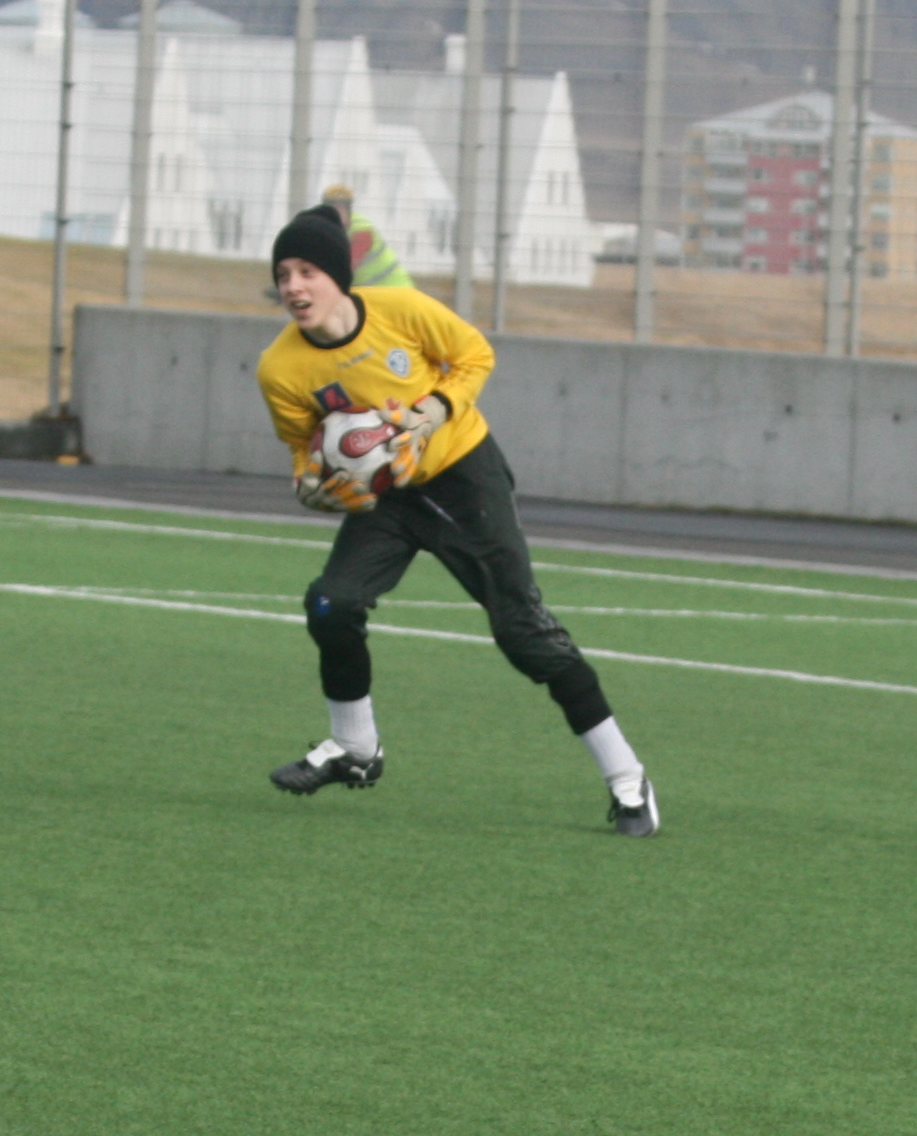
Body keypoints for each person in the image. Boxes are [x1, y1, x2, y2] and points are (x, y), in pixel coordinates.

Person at [258, 204, 658, 836]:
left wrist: (433, 412)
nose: (294, 287)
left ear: (338, 276)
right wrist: (313, 485)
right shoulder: (280, 368)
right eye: (283, 274)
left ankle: (627, 778)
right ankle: (355, 749)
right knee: (331, 604)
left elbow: (474, 354)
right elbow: (303, 448)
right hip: (390, 501)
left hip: (463, 477)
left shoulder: (399, 310)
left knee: (524, 633)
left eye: (308, 271)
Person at [319, 183, 410, 290]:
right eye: (334, 207)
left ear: (349, 208)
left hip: (394, 290)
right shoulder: (329, 230)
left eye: (343, 207)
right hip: (373, 292)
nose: (339, 212)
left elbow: (345, 269)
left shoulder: (361, 230)